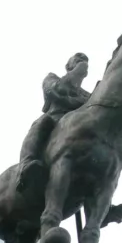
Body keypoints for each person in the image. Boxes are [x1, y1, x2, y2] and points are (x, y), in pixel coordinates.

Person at [16, 52, 91, 195]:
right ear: (68, 66)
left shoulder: (88, 95)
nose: (82, 62)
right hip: (54, 121)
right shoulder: (52, 78)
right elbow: (56, 91)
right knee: (40, 123)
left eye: (84, 62)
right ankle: (26, 165)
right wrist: (76, 73)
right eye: (78, 60)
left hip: (79, 128)